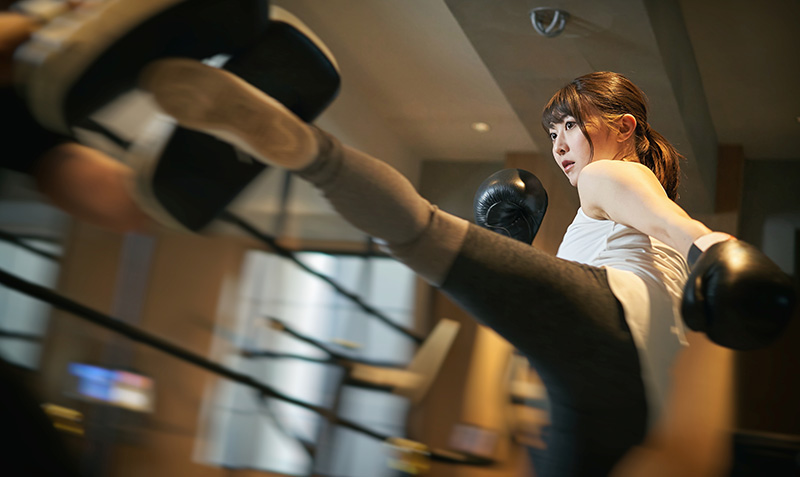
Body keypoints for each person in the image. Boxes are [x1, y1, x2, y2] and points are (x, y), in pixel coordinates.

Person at [138, 58, 796, 476]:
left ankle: (304, 148)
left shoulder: (610, 176)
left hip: (609, 331)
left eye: (570, 126)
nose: (559, 145)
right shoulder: (621, 210)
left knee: (419, 229)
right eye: (551, 133)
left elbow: (667, 226)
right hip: (627, 408)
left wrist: (712, 245)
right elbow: (583, 296)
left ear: (622, 127)